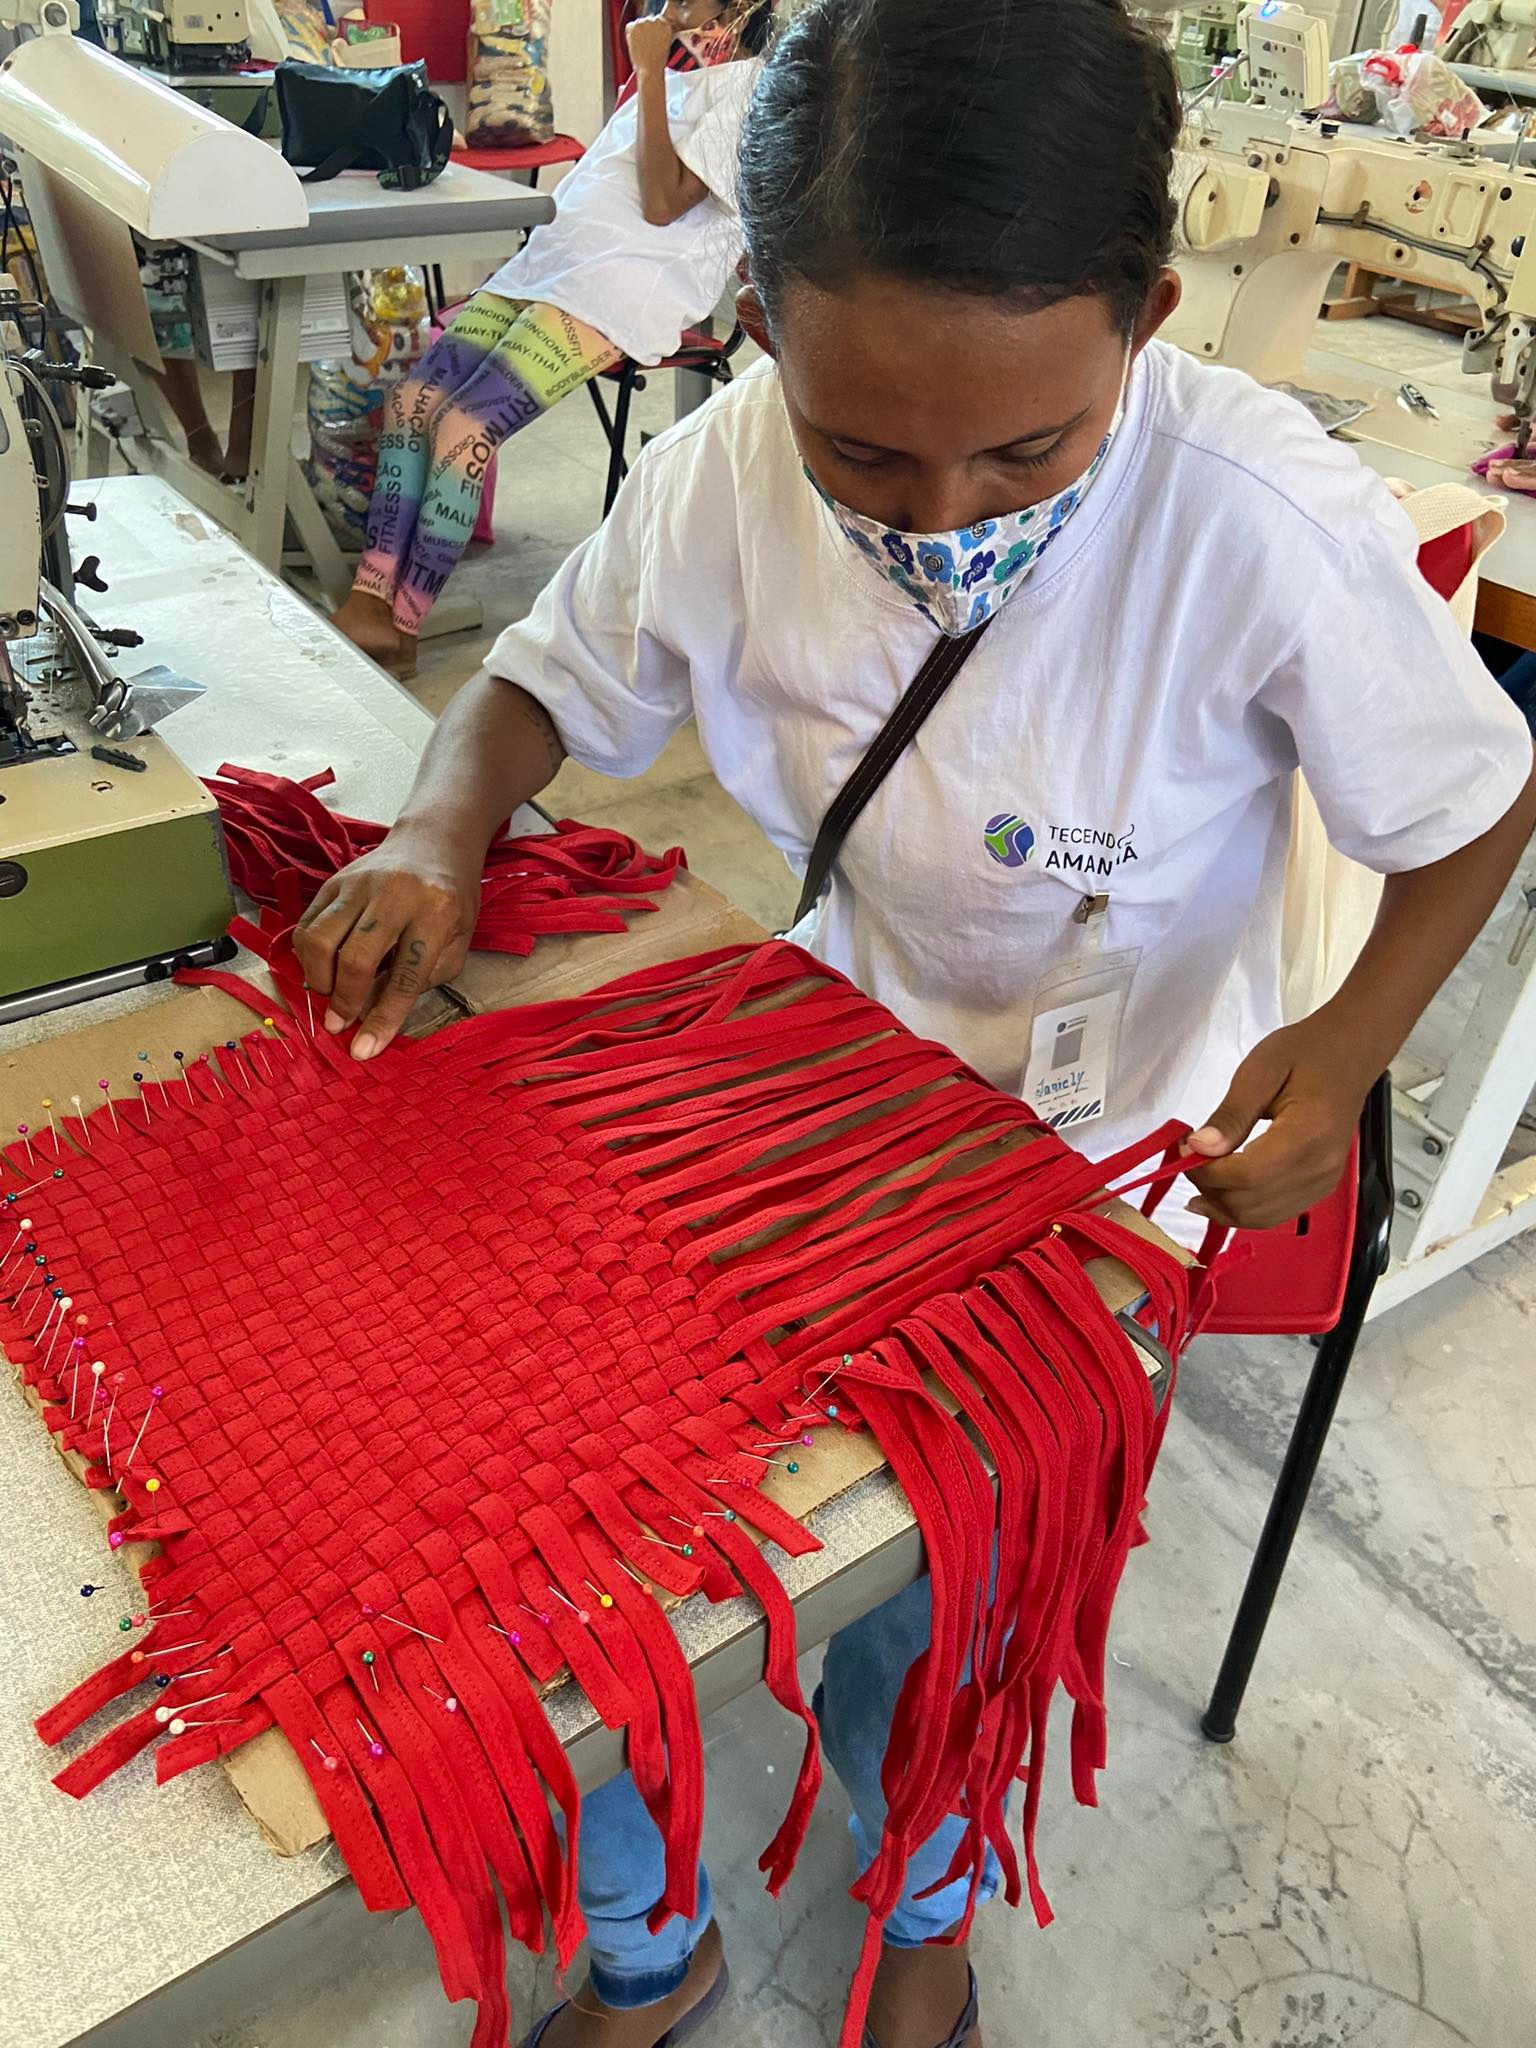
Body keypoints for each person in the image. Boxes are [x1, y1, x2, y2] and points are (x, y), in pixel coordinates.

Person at [295, 1, 1536, 2042]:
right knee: (574, 1557)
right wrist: (438, 827)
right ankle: (646, 1938)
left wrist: (1345, 1048)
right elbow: (535, 679)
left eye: (1027, 450)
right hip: (812, 1100)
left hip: (1089, 1180)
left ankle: (928, 1898)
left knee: (947, 1606)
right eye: (862, 448)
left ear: (1142, 320)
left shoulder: (1261, 521)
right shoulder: (721, 474)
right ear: (760, 330)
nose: (945, 513)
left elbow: (1475, 799)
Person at [331, 0, 769, 678]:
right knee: (413, 402)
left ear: (739, 8)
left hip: (622, 286)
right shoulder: (680, 74)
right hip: (551, 263)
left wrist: (650, 69)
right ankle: (371, 600)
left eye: (687, 2)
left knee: (465, 428)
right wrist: (654, 73)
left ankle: (404, 622)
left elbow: (662, 203)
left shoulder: (751, 88)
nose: (669, 11)